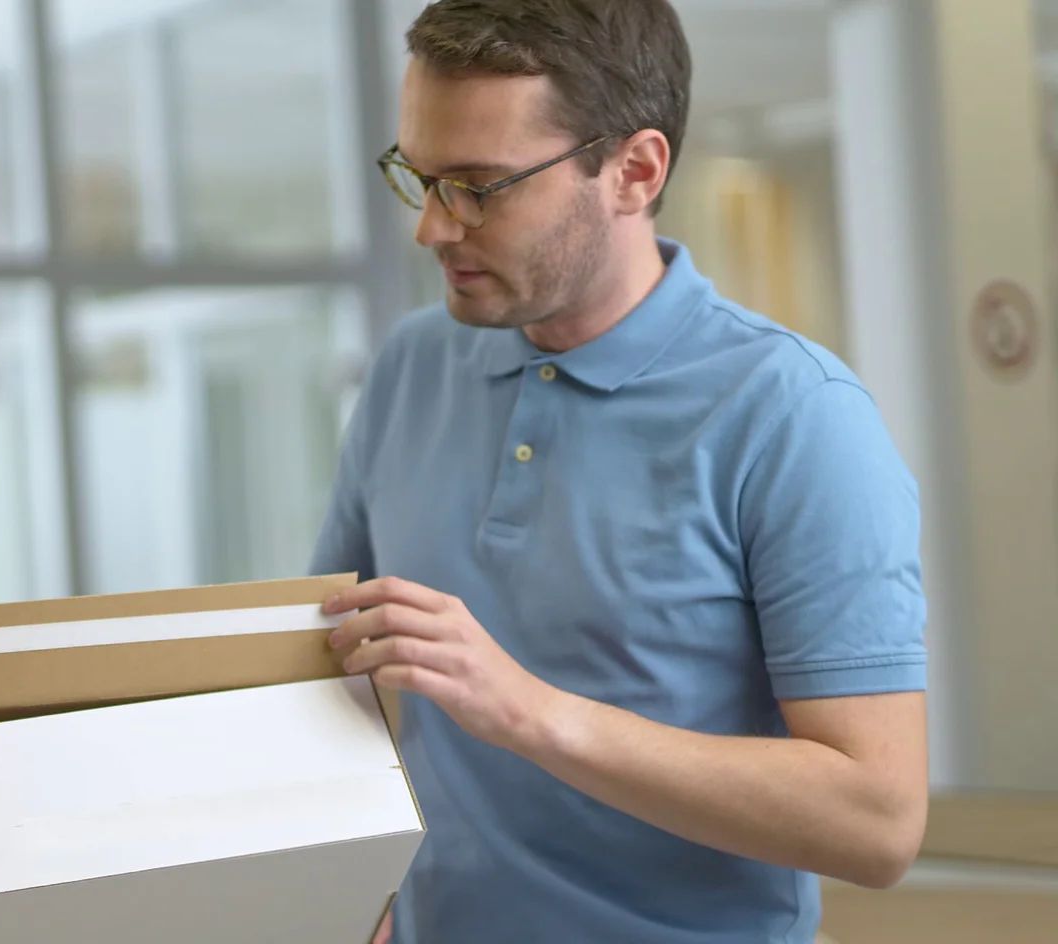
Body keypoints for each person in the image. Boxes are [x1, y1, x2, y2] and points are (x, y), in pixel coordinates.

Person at [314, 2, 928, 942]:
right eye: (420, 177)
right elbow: (334, 670)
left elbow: (879, 824)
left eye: (479, 186)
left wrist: (532, 712)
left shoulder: (794, 415)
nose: (432, 229)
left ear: (634, 172)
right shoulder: (411, 367)